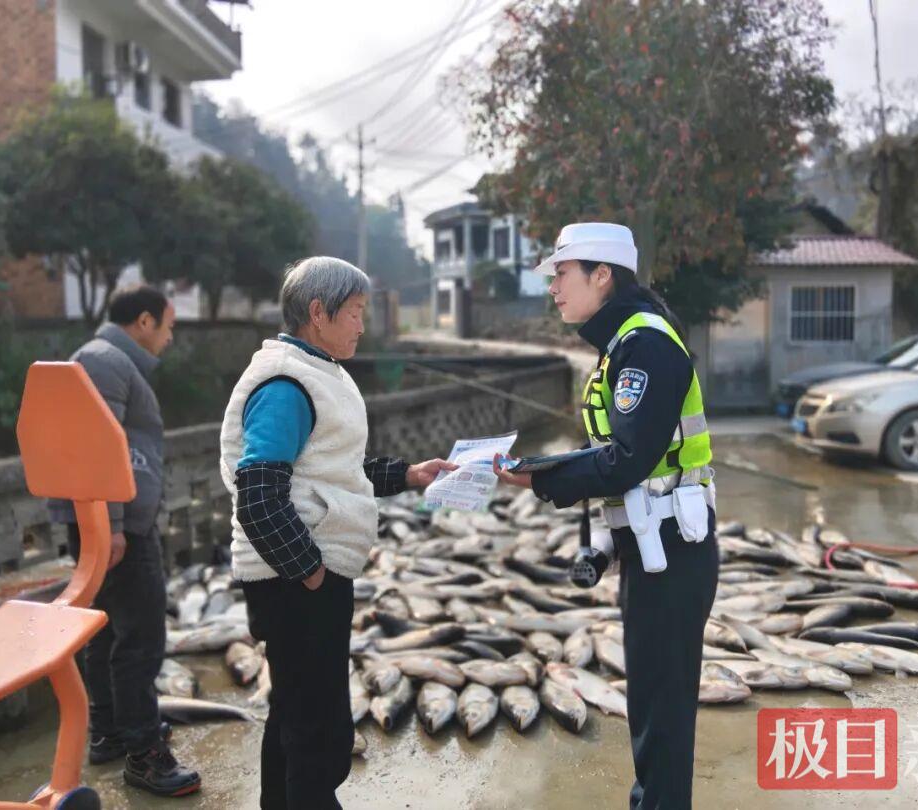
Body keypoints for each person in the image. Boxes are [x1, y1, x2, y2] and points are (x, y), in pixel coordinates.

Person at [494, 223, 720, 810]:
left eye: (562, 274)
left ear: (602, 276)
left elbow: (626, 461)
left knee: (662, 719)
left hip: (673, 551)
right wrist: (539, 468)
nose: (553, 288)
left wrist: (540, 479)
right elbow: (614, 455)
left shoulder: (646, 346)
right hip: (654, 547)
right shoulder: (623, 343)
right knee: (651, 708)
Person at [219, 256, 456, 810]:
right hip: (294, 577)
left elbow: (335, 469)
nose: (362, 325)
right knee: (316, 728)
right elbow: (258, 494)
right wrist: (310, 572)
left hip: (308, 571)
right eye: (354, 312)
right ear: (318, 313)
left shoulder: (317, 371)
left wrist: (409, 475)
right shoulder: (284, 384)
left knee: (295, 710)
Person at [48, 284, 201, 797]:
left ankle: (110, 732)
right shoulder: (104, 360)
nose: (170, 337)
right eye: (168, 326)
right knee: (141, 638)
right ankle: (144, 754)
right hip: (116, 525)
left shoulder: (104, 359)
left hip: (110, 520)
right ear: (144, 321)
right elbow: (94, 441)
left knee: (109, 630)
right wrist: (111, 524)